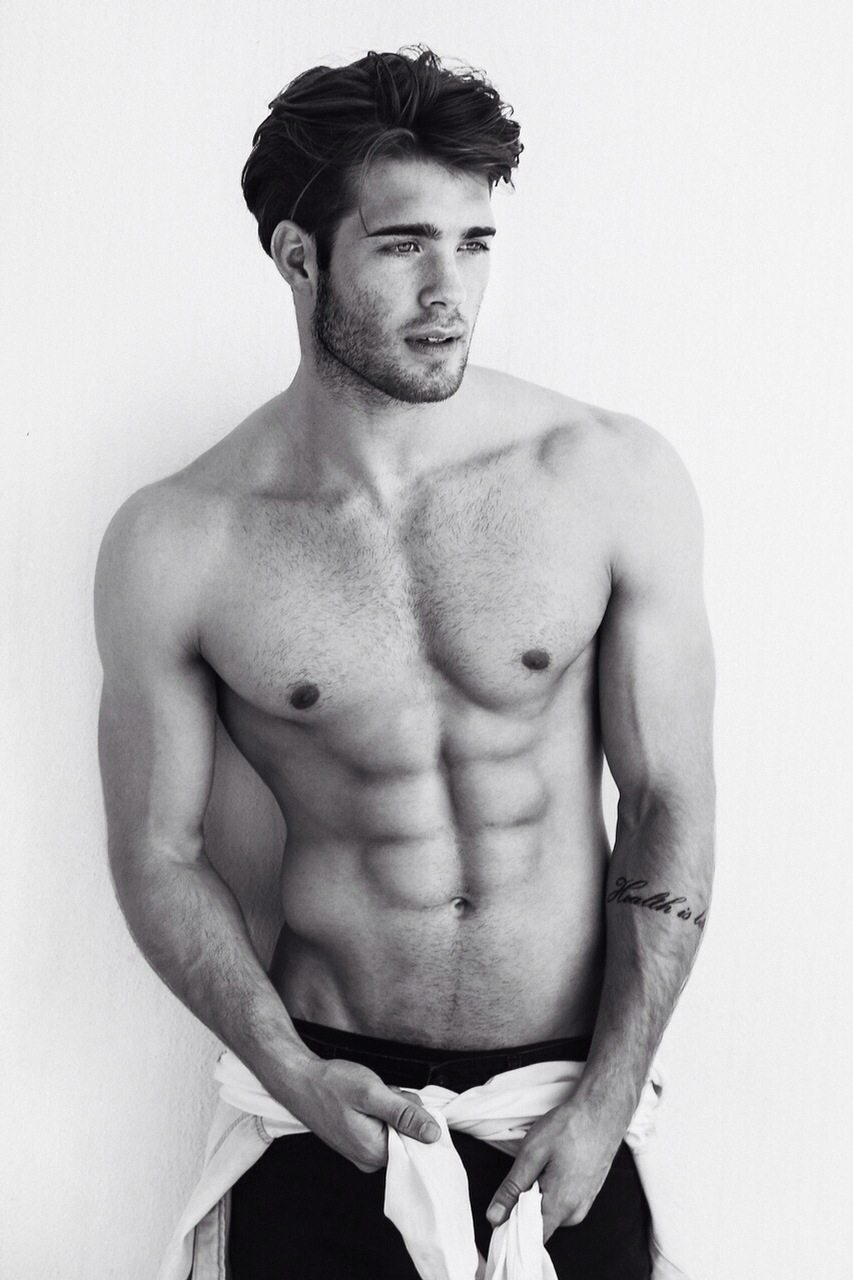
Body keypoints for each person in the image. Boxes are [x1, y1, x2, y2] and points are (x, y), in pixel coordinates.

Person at [95, 46, 715, 1280]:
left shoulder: (606, 476)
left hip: (560, 1110)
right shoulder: (181, 540)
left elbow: (666, 801)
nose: (450, 291)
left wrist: (608, 1095)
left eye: (474, 244)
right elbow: (158, 852)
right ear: (298, 257)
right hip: (327, 1104)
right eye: (403, 245)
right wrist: (292, 1074)